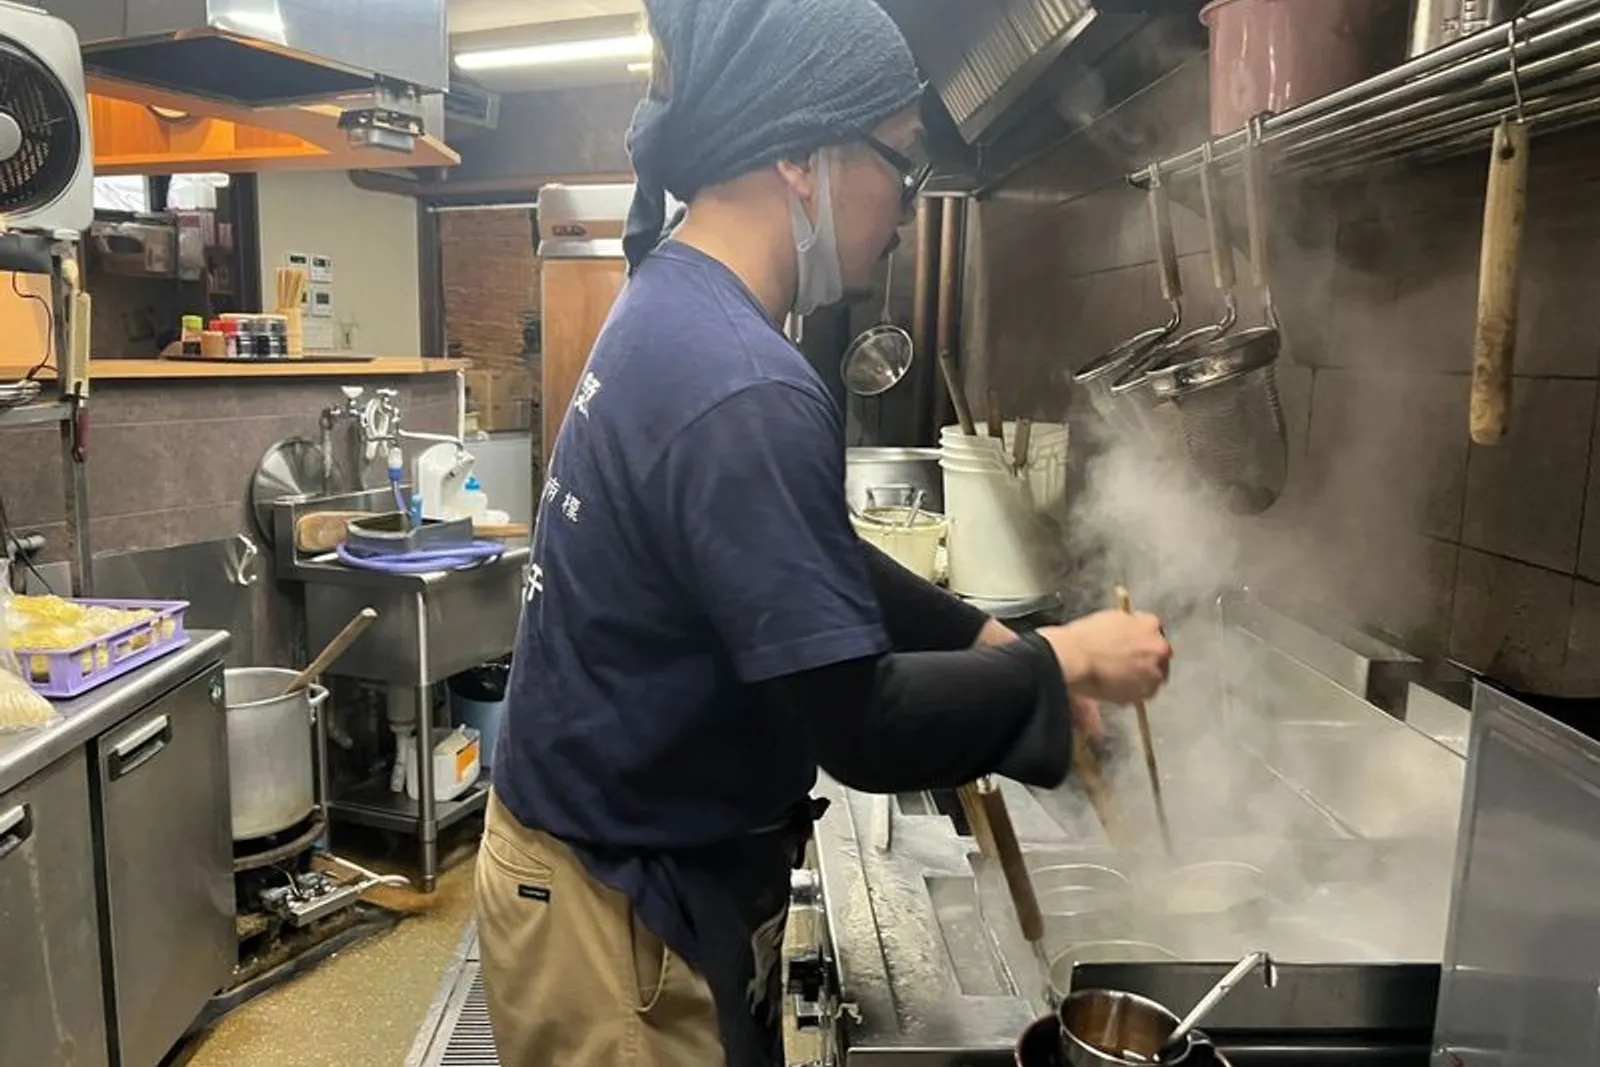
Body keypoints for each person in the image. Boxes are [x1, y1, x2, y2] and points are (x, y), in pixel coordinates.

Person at [475, 2, 1174, 1065]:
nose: (905, 209)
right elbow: (859, 724)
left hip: (593, 871)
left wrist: (983, 641)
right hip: (615, 923)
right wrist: (1063, 656)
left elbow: (801, 557)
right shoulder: (743, 380)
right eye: (899, 160)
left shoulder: (676, 301)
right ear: (802, 157)